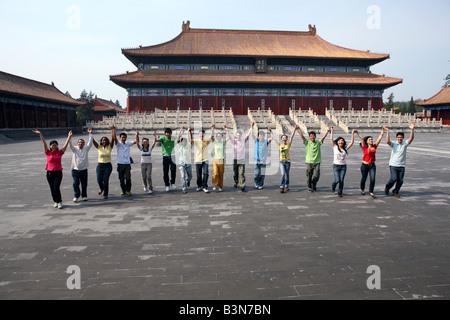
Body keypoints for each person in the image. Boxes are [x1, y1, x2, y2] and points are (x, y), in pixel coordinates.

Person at [33, 129, 72, 209]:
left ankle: (59, 201)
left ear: (57, 146)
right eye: (52, 145)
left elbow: (66, 145)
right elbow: (44, 143)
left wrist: (69, 136)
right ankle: (55, 201)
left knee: (56, 187)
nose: (54, 146)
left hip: (58, 173)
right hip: (49, 173)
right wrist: (40, 134)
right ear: (50, 146)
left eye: (55, 144)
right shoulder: (48, 152)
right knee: (52, 189)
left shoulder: (60, 152)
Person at [384, 122, 415, 198]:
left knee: (400, 181)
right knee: (394, 178)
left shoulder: (405, 144)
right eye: (398, 137)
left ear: (403, 138)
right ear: (396, 138)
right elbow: (387, 141)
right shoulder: (394, 144)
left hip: (402, 165)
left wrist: (412, 130)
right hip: (393, 165)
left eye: (401, 137)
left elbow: (411, 139)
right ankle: (387, 187)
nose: (400, 138)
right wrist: (387, 131)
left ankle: (395, 191)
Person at [297, 127, 331, 192]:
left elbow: (323, 137)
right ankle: (309, 186)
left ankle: (314, 183)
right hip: (309, 162)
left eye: (313, 136)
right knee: (309, 175)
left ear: (315, 136)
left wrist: (327, 131)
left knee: (316, 175)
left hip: (317, 162)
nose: (312, 137)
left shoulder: (318, 142)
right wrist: (298, 129)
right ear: (309, 137)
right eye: (311, 136)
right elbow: (302, 137)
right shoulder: (307, 143)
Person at [356, 127, 386, 198]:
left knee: (373, 178)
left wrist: (383, 131)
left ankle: (371, 191)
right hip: (365, 165)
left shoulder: (375, 146)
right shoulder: (365, 147)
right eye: (370, 139)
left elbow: (380, 138)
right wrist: (357, 132)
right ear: (367, 141)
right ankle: (362, 189)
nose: (371, 140)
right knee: (364, 178)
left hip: (372, 165)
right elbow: (362, 138)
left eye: (372, 139)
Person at [69, 128, 94, 203]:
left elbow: (90, 142)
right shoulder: (74, 149)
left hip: (84, 169)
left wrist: (90, 134)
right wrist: (69, 137)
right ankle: (76, 195)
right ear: (77, 144)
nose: (80, 144)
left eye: (82, 142)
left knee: (84, 184)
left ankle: (84, 196)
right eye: (79, 142)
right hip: (75, 169)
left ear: (84, 144)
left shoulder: (86, 148)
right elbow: (70, 144)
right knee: (75, 183)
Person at [330, 128, 356, 197]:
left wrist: (352, 134)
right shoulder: (334, 147)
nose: (341, 142)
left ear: (343, 142)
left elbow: (352, 142)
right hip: (336, 166)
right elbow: (331, 139)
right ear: (337, 142)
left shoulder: (345, 148)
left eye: (342, 141)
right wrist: (332, 131)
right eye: (339, 141)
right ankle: (333, 185)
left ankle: (340, 192)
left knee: (341, 180)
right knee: (337, 180)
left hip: (343, 166)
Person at [229, 122, 254, 192]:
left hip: (242, 159)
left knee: (241, 173)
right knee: (235, 173)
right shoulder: (233, 141)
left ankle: (242, 185)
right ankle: (235, 182)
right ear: (236, 136)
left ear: (241, 136)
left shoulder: (243, 140)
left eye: (239, 135)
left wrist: (251, 126)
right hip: (235, 159)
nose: (238, 136)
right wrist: (226, 130)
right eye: (237, 135)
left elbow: (248, 134)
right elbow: (229, 137)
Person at [92, 125, 115, 200]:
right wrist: (90, 133)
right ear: (101, 141)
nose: (104, 141)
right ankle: (101, 188)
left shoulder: (110, 147)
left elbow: (113, 138)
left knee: (105, 180)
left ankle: (105, 194)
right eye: (103, 140)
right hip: (100, 165)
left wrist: (112, 129)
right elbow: (92, 141)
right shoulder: (99, 147)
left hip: (108, 166)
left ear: (107, 141)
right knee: (99, 180)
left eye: (105, 140)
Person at [272, 126, 297, 193]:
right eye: (283, 138)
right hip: (281, 162)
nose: (284, 139)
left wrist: (294, 129)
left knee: (287, 175)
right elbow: (274, 139)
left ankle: (286, 185)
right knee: (282, 174)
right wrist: (270, 131)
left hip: (287, 162)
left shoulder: (288, 145)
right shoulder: (280, 145)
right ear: (281, 139)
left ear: (286, 139)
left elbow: (292, 137)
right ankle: (281, 186)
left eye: (285, 138)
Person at [113, 130, 138, 196]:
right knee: (121, 179)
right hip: (120, 163)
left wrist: (137, 135)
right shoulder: (118, 144)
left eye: (124, 137)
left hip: (127, 164)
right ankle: (123, 190)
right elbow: (114, 138)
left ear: (126, 138)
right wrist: (113, 129)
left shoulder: (128, 143)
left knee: (128, 178)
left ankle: (128, 190)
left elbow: (137, 142)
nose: (123, 138)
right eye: (122, 137)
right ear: (120, 138)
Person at [193, 126, 214, 193]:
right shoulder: (196, 141)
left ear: (204, 134)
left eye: (202, 133)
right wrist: (188, 131)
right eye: (200, 133)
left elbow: (211, 137)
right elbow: (189, 140)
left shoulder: (206, 141)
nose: (201, 135)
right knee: (199, 175)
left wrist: (212, 129)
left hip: (205, 160)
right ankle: (199, 186)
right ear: (198, 134)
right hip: (198, 160)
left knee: (205, 173)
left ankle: (205, 186)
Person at [156, 128, 177, 192]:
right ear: (165, 133)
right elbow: (157, 140)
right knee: (165, 171)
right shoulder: (163, 138)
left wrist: (181, 131)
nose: (167, 134)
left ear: (171, 133)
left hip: (172, 156)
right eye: (166, 133)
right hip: (165, 157)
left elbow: (178, 138)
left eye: (169, 133)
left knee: (173, 170)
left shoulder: (173, 138)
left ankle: (172, 182)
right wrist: (154, 136)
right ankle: (167, 185)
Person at [211, 126, 229, 192]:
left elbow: (228, 137)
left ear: (221, 137)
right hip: (215, 160)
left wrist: (226, 130)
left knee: (221, 174)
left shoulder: (223, 143)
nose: (219, 137)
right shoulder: (215, 142)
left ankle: (220, 186)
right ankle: (215, 184)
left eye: (220, 136)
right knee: (215, 173)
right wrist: (212, 129)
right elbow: (211, 137)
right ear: (216, 137)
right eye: (218, 136)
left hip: (221, 160)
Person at [176, 127, 193, 194]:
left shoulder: (188, 146)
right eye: (182, 141)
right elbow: (177, 139)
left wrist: (189, 132)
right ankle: (184, 188)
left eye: (185, 141)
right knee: (182, 176)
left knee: (190, 176)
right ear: (181, 142)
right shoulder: (180, 146)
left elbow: (190, 140)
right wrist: (181, 130)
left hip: (188, 164)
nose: (184, 142)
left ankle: (187, 180)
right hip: (181, 164)